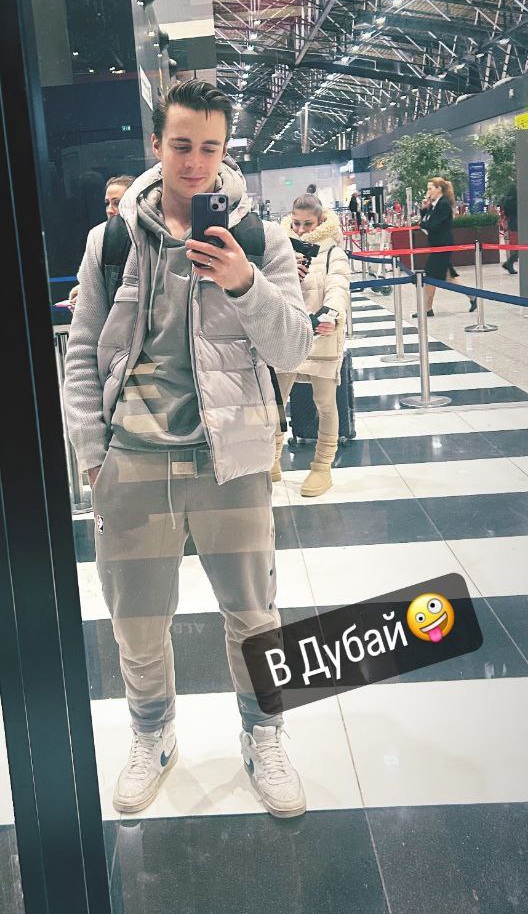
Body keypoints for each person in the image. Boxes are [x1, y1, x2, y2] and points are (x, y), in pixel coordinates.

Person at [63, 79, 312, 819]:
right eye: (181, 146)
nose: (196, 163)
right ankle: (153, 733)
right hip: (133, 459)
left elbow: (295, 345)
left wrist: (243, 283)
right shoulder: (111, 242)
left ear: (226, 149)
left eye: (210, 147)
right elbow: (82, 352)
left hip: (229, 457)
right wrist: (93, 453)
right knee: (137, 622)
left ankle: (264, 734)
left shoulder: (260, 239)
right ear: (157, 145)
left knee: (254, 614)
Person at [275, 195, 350, 494]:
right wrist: (286, 273)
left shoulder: (333, 252)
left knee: (325, 404)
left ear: (320, 221)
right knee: (275, 402)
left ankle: (322, 467)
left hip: (321, 333)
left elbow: (338, 287)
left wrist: (332, 314)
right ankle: (271, 461)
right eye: (296, 223)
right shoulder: (280, 248)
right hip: (288, 333)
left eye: (308, 224)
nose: (302, 230)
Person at [67, 175, 135, 311]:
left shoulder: (149, 237)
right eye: (107, 203)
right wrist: (82, 297)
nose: (109, 210)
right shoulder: (99, 236)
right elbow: (91, 284)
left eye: (117, 203)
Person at [414, 177, 455, 317]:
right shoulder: (435, 204)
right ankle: (473, 297)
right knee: (449, 277)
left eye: (430, 188)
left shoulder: (443, 204)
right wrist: (424, 209)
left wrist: (422, 224)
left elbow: (434, 225)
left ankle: (427, 308)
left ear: (439, 189)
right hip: (437, 244)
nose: (428, 192)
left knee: (430, 275)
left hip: (442, 245)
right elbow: (427, 219)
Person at [502, 183, 518, 275]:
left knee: (517, 247)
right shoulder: (517, 201)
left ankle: (509, 263)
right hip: (519, 225)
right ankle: (509, 263)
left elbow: (506, 213)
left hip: (512, 225)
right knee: (521, 247)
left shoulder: (506, 201)